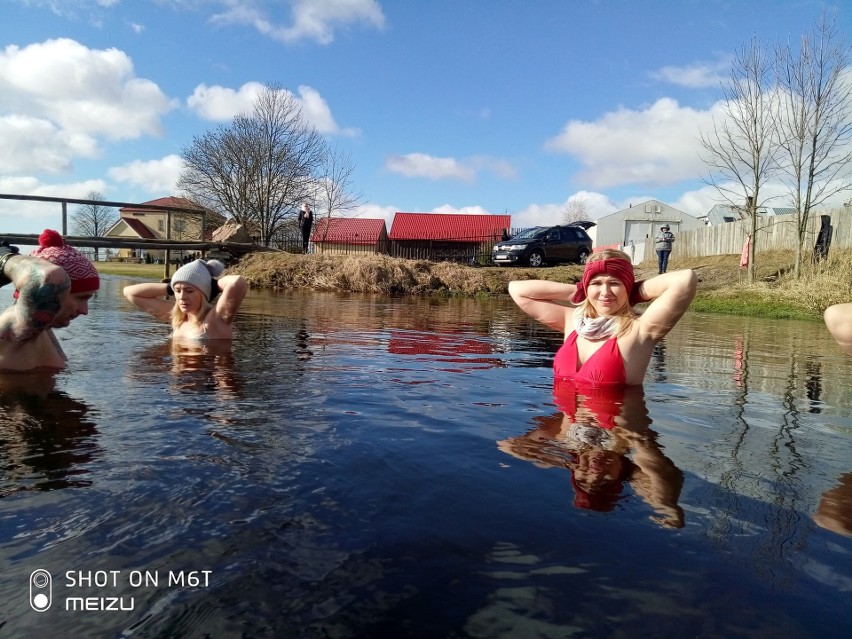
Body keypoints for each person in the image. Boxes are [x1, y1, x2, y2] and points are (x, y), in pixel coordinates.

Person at [498, 383, 685, 527]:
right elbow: (665, 484)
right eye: (604, 481)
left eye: (583, 481)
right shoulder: (629, 442)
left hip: (580, 371)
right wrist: (667, 509)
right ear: (621, 473)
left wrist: (565, 463)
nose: (595, 474)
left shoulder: (563, 437)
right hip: (618, 376)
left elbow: (507, 446)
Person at [508, 249, 697, 386]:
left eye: (614, 283)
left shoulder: (641, 330)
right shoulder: (572, 321)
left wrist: (632, 292)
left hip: (617, 439)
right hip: (567, 439)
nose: (605, 292)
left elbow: (685, 280)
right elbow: (517, 290)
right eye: (596, 283)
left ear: (627, 286)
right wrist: (581, 291)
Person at [0, 230, 100, 371]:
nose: (85, 311)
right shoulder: (18, 331)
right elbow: (49, 276)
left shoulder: (42, 329)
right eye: (81, 298)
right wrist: (5, 258)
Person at [123, 258, 247, 340]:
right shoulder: (178, 318)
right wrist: (170, 287)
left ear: (203, 293)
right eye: (178, 291)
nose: (182, 297)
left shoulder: (215, 320)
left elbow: (237, 282)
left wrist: (213, 286)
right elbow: (129, 292)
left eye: (189, 291)